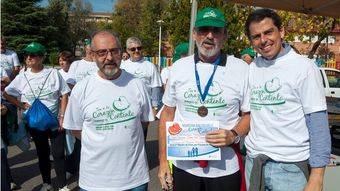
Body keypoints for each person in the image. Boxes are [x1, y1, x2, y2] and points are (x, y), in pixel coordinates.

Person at [158, 7, 250, 191]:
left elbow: (249, 115)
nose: (209, 35)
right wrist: (162, 161)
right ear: (194, 34)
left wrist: (233, 134)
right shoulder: (178, 67)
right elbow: (167, 114)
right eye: (203, 30)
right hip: (184, 167)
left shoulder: (241, 69)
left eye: (216, 30)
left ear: (224, 35)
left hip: (225, 169)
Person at [244, 9, 331, 191]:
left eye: (268, 32)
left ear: (281, 31)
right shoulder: (253, 68)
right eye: (256, 36)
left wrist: (317, 177)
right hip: (255, 164)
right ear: (251, 41)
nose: (263, 40)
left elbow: (318, 125)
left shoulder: (304, 67)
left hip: (290, 169)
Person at [63, 31, 154, 191]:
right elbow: (76, 129)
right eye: (102, 52)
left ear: (121, 52)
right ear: (93, 55)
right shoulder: (81, 89)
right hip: (94, 181)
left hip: (134, 180)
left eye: (114, 51)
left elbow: (144, 122)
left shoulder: (137, 84)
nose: (109, 57)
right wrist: (101, 142)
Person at [3, 42, 70, 191]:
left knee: (58, 154)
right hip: (35, 122)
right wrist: (21, 105)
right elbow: (7, 93)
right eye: (26, 55)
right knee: (43, 153)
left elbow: (65, 94)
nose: (28, 57)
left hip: (55, 121)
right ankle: (47, 183)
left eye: (32, 55)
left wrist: (62, 115)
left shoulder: (53, 73)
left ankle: (63, 186)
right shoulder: (23, 76)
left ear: (41, 57)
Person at [120, 36, 162, 139]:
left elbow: (155, 87)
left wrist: (155, 107)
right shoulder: (122, 66)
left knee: (142, 136)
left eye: (139, 48)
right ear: (127, 50)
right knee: (127, 136)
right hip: (126, 108)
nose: (136, 51)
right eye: (133, 49)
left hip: (144, 107)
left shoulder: (150, 66)